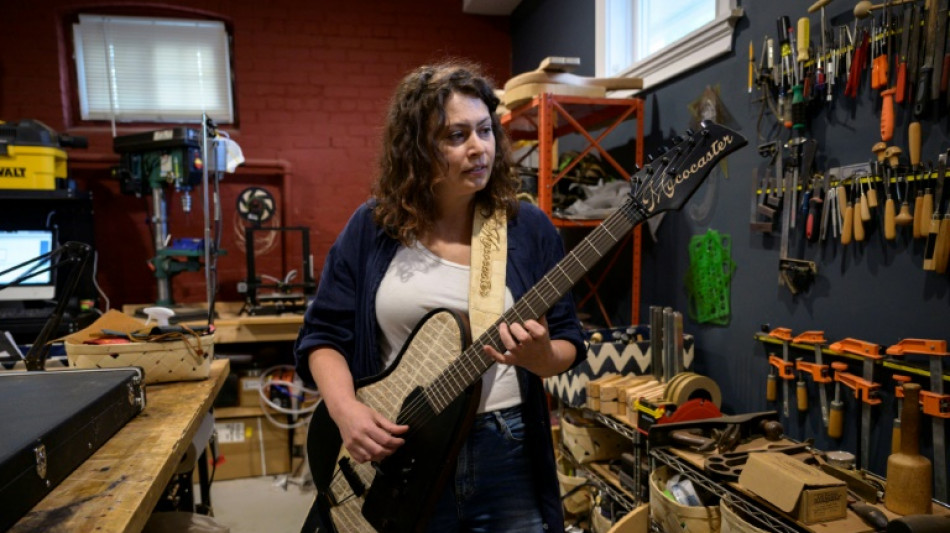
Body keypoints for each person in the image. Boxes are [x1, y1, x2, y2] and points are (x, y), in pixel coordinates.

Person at [294, 60, 586, 533]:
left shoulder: (528, 229)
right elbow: (324, 335)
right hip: (403, 451)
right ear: (416, 148)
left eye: (485, 131)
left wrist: (543, 357)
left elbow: (568, 338)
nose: (478, 148)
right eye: (456, 136)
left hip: (506, 450)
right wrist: (345, 410)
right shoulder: (373, 228)